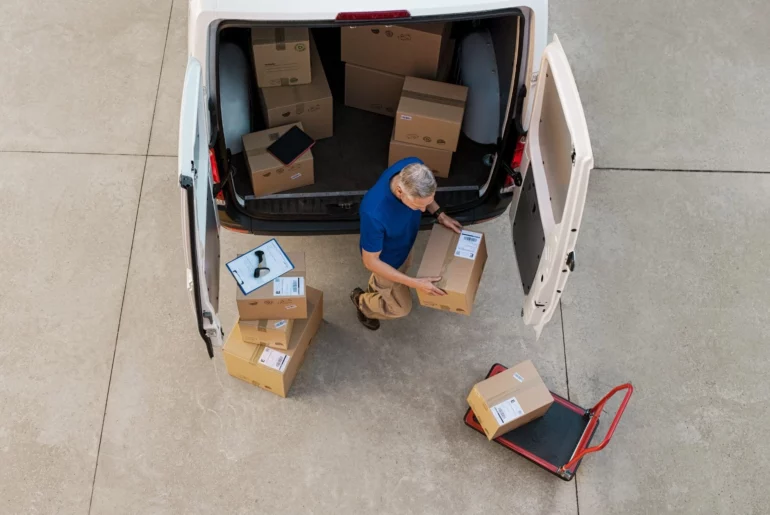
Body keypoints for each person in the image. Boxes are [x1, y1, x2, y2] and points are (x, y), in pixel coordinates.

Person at [350, 158, 463, 330]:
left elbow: (425, 199)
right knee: (400, 308)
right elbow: (370, 261)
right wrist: (415, 283)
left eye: (427, 204)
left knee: (403, 269)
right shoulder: (374, 213)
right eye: (418, 205)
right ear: (400, 191)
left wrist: (440, 214)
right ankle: (362, 302)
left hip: (404, 244)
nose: (424, 211)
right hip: (386, 261)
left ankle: (377, 287)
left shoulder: (413, 167)